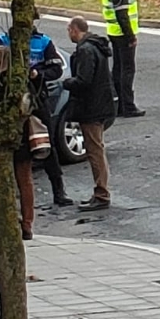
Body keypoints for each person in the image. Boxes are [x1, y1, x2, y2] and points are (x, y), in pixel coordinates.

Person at [0, 43, 45, 240]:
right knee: (25, 181)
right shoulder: (17, 83)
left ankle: (8, 220)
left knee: (2, 182)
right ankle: (27, 223)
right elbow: (34, 104)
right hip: (19, 136)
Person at [0, 29, 72, 209]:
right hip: (11, 101)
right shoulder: (4, 40)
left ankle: (58, 190)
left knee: (47, 144)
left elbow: (56, 69)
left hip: (37, 99)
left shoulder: (43, 41)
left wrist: (38, 73)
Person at [64, 16, 115, 211]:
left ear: (74, 30)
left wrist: (66, 83)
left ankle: (101, 193)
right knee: (98, 148)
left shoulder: (85, 50)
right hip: (102, 104)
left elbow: (84, 81)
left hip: (91, 107)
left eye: (69, 30)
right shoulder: (97, 47)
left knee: (94, 151)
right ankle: (101, 191)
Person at [102, 0, 143, 117]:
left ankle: (118, 104)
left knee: (118, 69)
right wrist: (130, 36)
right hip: (122, 34)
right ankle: (128, 106)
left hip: (113, 32)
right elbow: (122, 15)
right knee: (127, 70)